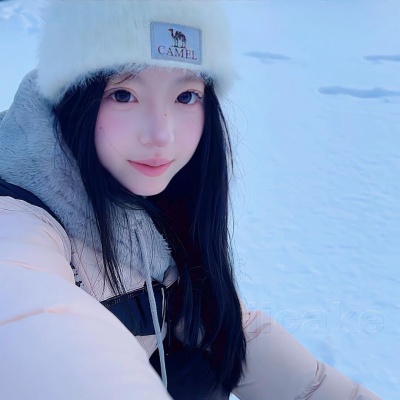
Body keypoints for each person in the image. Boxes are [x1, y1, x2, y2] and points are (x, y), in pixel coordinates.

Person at [0, 1, 381, 399]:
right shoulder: (19, 219)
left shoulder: (150, 192)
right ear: (73, 99)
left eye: (185, 96)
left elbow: (223, 327)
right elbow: (28, 314)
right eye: (124, 94)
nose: (161, 135)